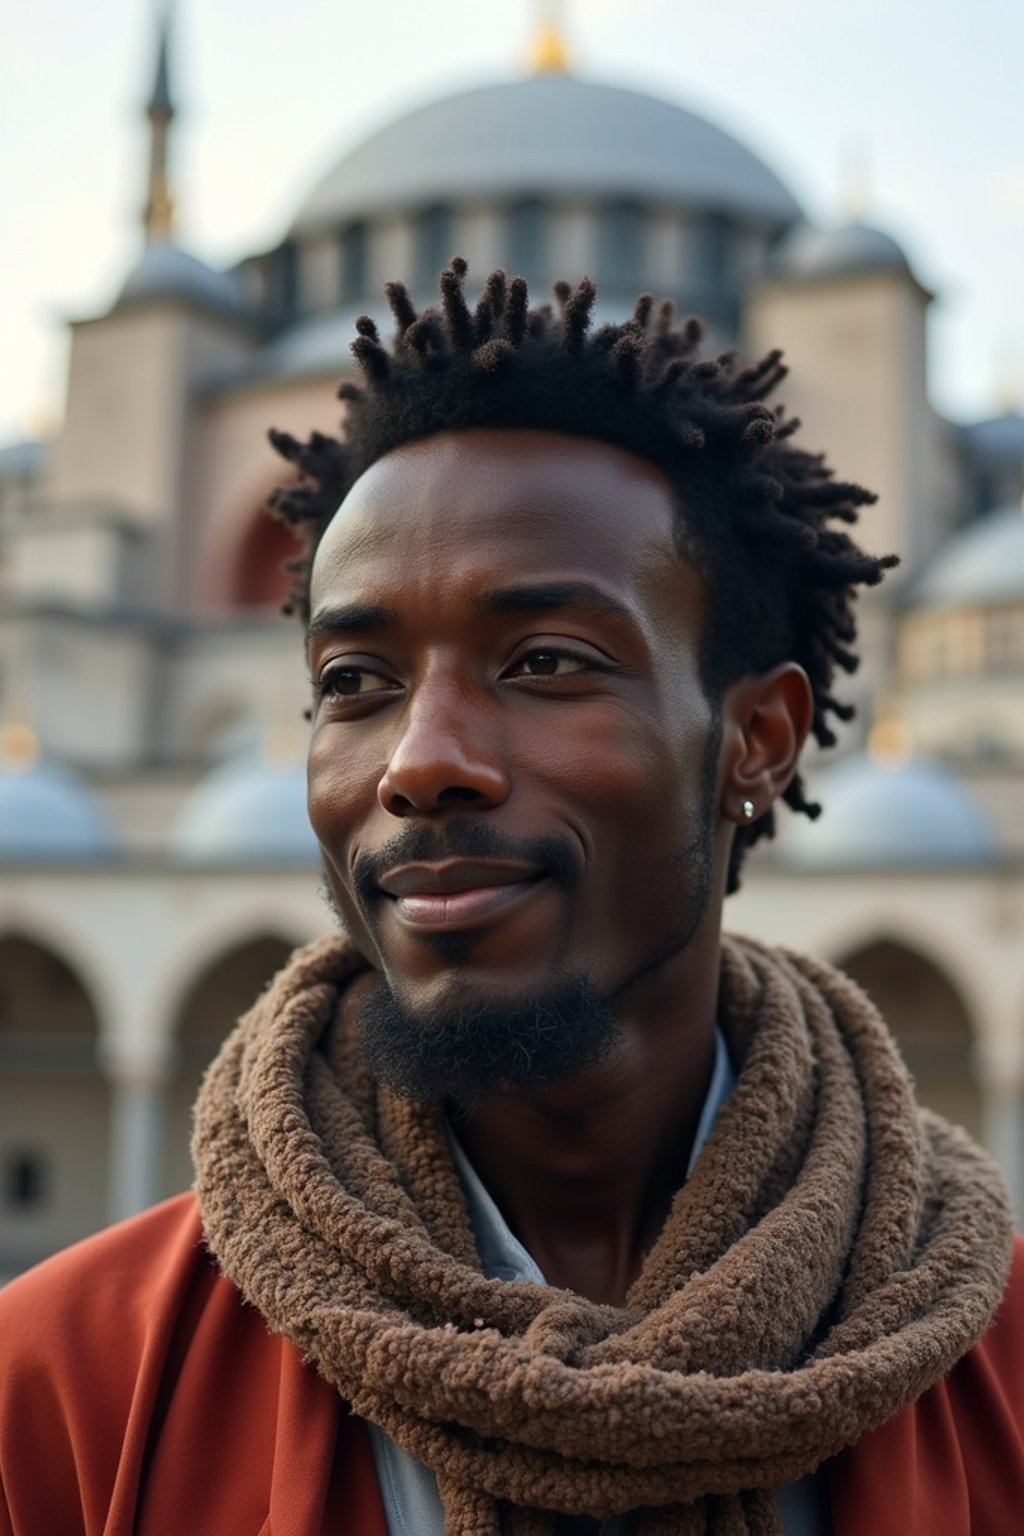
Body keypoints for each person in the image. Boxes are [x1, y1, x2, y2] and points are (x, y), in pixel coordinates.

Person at [1, 262, 1021, 1536]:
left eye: (545, 662)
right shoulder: (68, 1389)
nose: (421, 760)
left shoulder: (993, 1363)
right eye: (356, 678)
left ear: (756, 737)